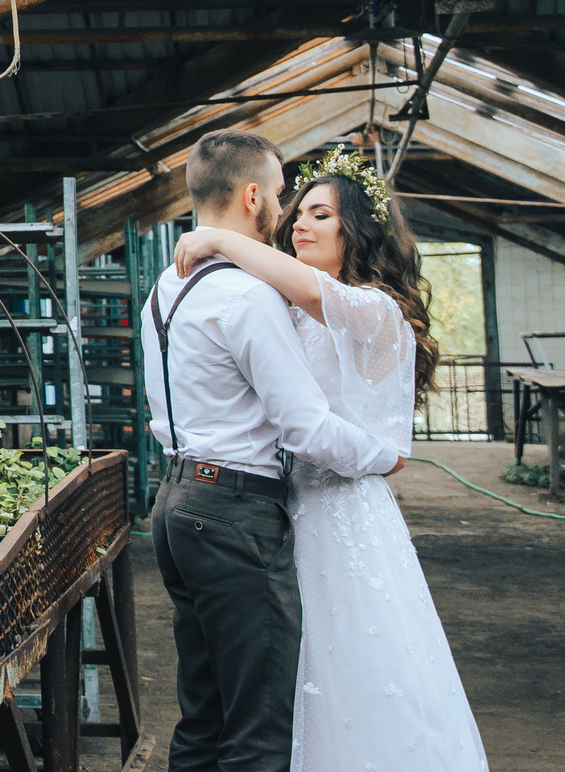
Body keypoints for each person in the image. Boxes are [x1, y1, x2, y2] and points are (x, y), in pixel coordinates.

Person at [172, 144, 489, 772]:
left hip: (345, 511)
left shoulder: (374, 310)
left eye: (319, 214)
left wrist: (220, 240)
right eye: (298, 213)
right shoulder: (289, 305)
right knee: (284, 679)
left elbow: (304, 290)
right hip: (285, 507)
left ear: (359, 231)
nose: (299, 224)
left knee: (354, 663)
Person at [141, 130, 407, 772]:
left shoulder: (163, 290)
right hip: (234, 513)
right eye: (285, 195)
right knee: (259, 730)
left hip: (175, 502)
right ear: (254, 195)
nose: (287, 212)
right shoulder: (249, 294)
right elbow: (307, 429)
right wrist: (384, 455)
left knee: (204, 716)